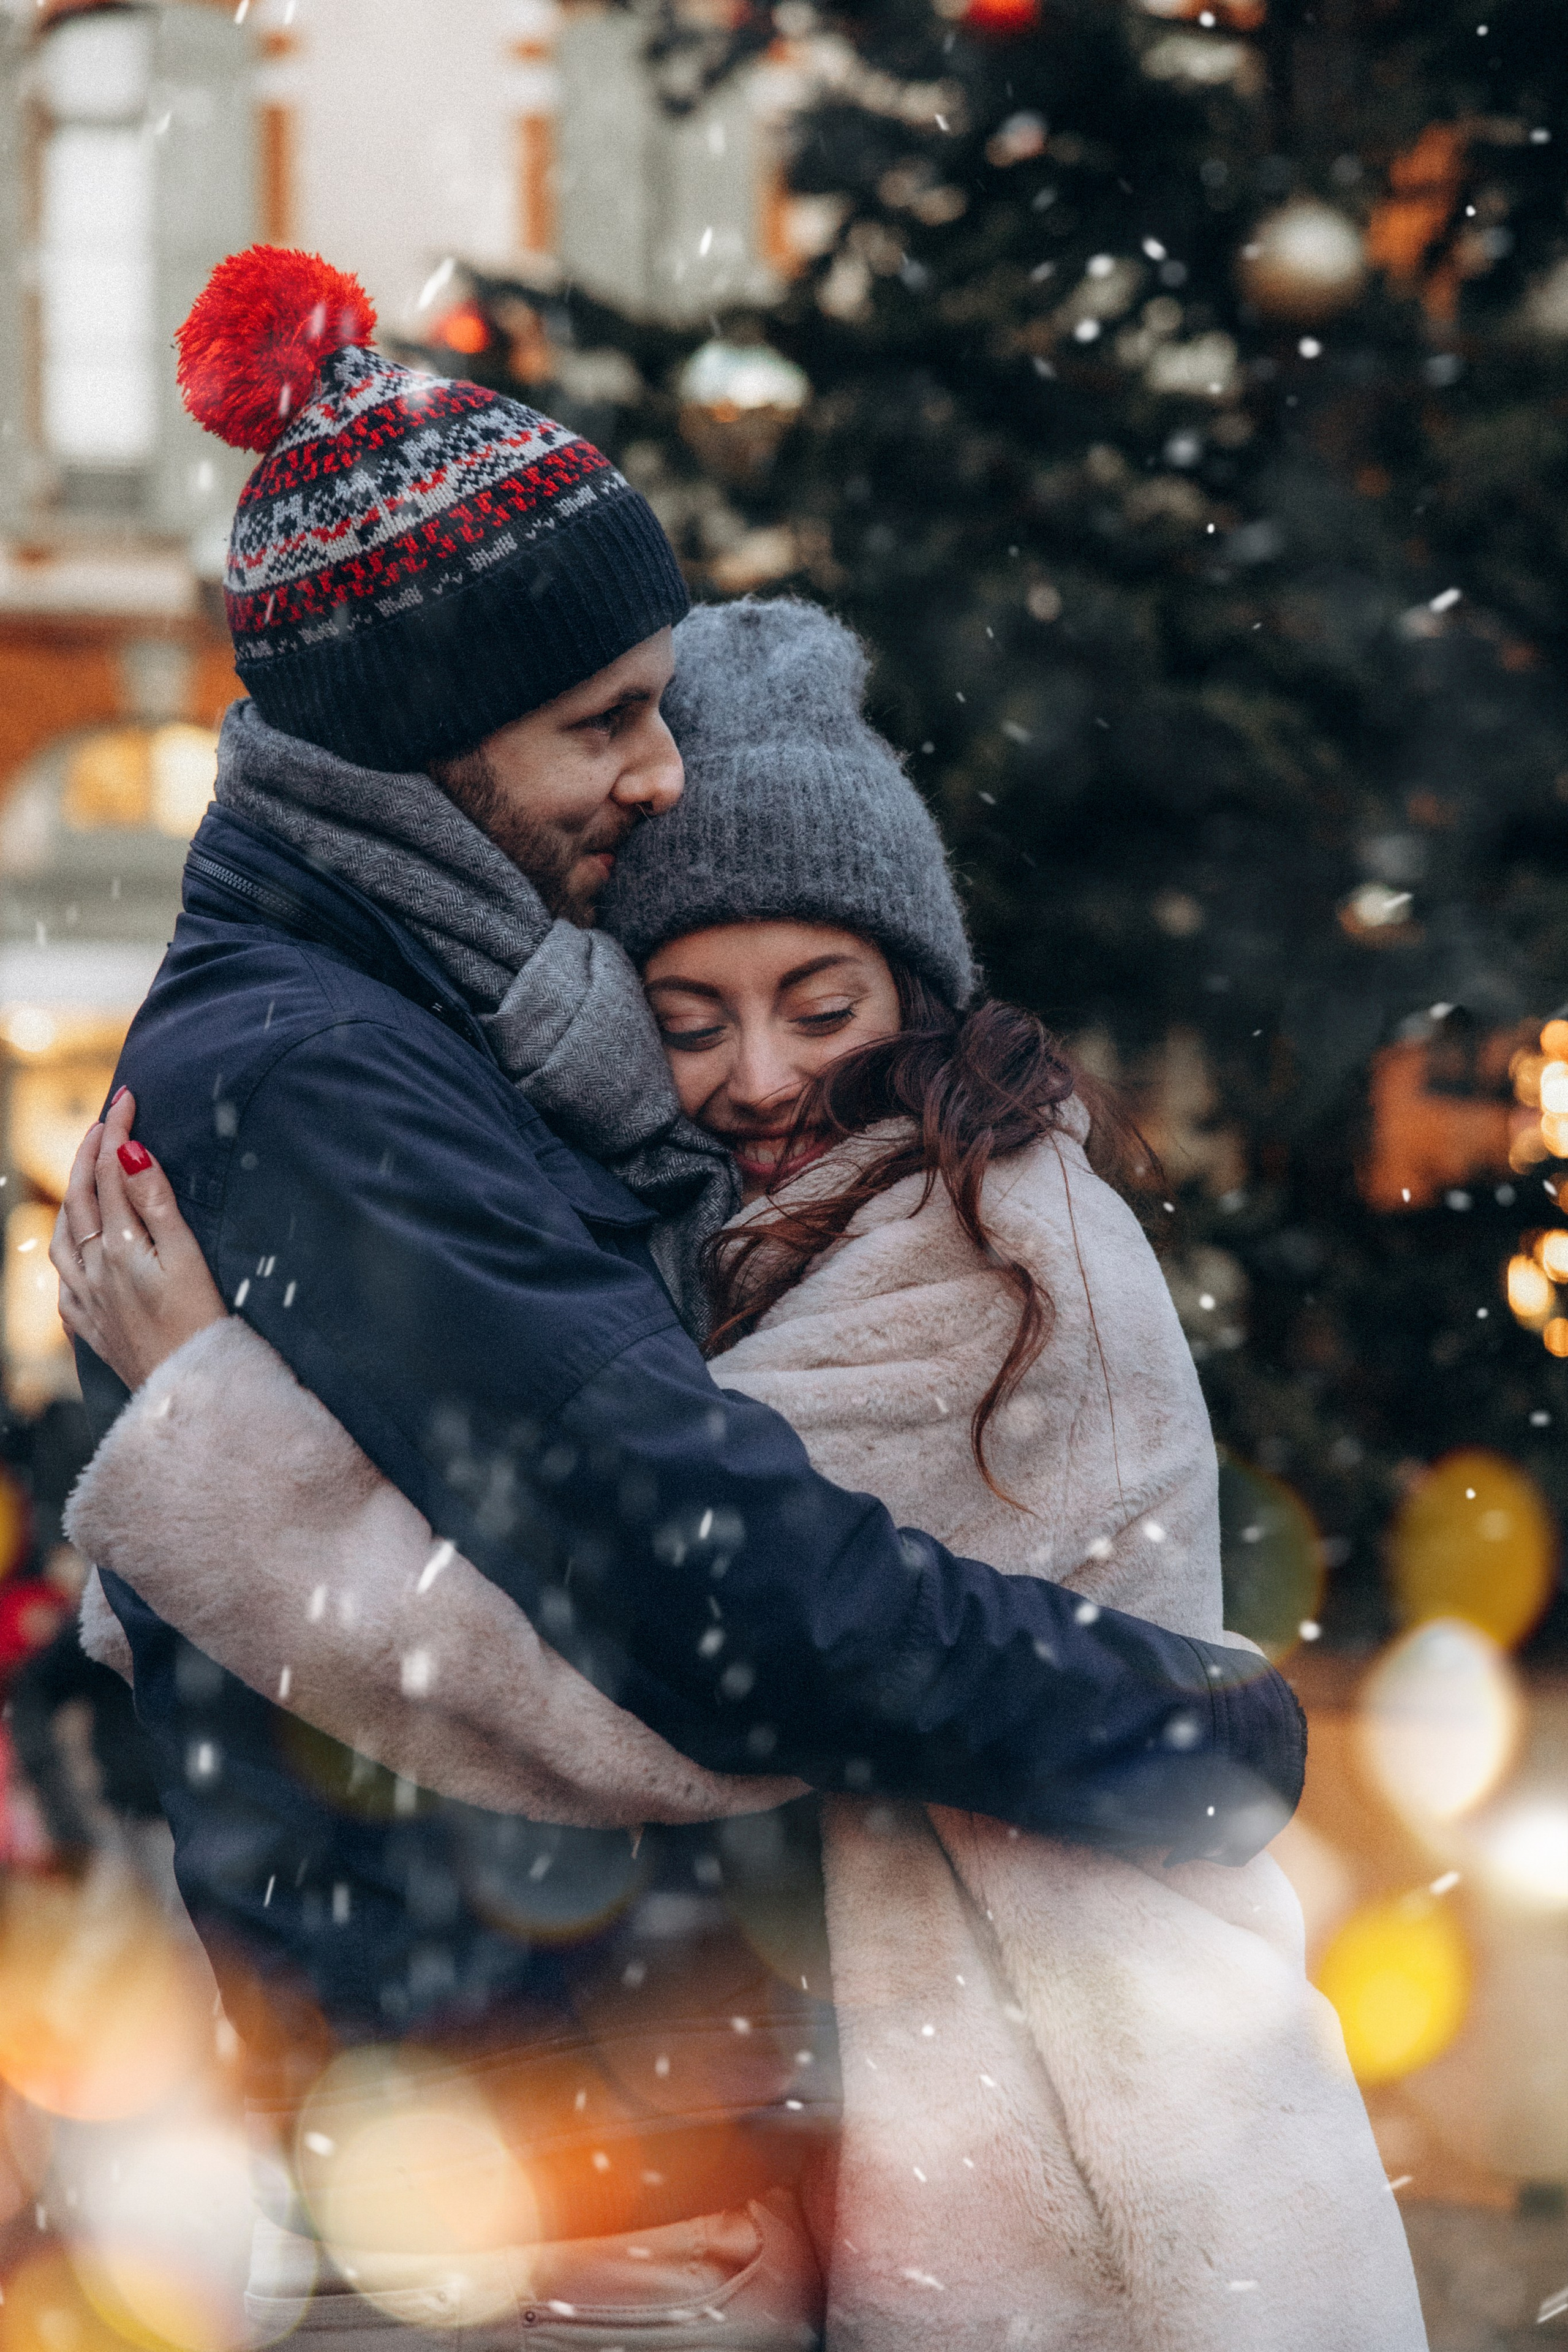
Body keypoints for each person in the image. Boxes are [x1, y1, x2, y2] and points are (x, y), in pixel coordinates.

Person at [52, 246, 1303, 2346]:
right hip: (530, 2149)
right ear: (435, 740)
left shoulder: (464, 1022)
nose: (657, 778)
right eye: (603, 723)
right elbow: (695, 1582)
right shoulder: (333, 1066)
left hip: (584, 2106)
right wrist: (1181, 1725)